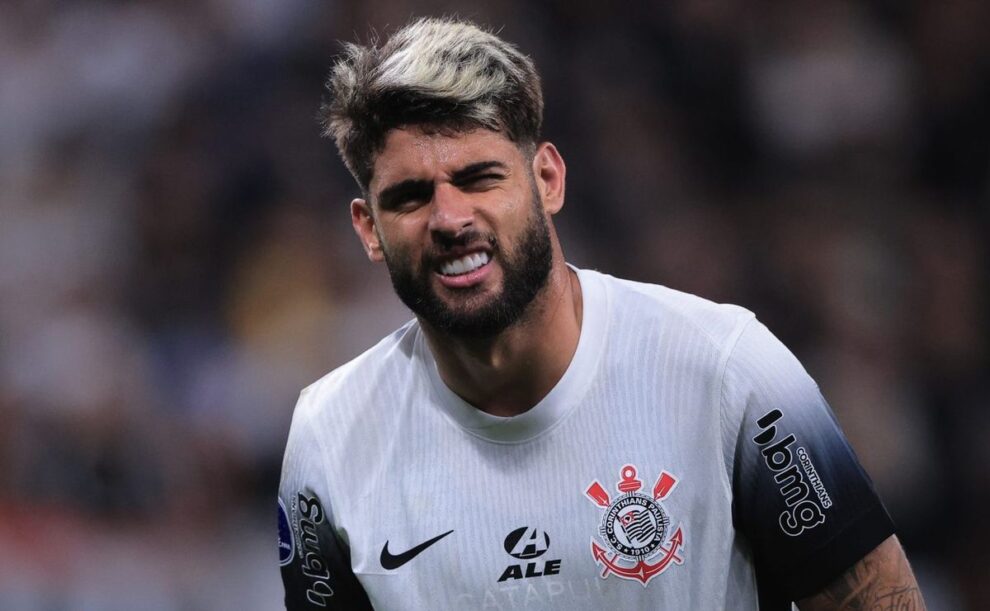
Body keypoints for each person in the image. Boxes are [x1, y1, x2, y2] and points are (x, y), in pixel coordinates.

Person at [277, 17, 925, 610]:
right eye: (411, 196)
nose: (450, 218)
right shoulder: (328, 439)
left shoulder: (729, 371)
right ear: (368, 228)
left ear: (548, 179)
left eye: (479, 178)